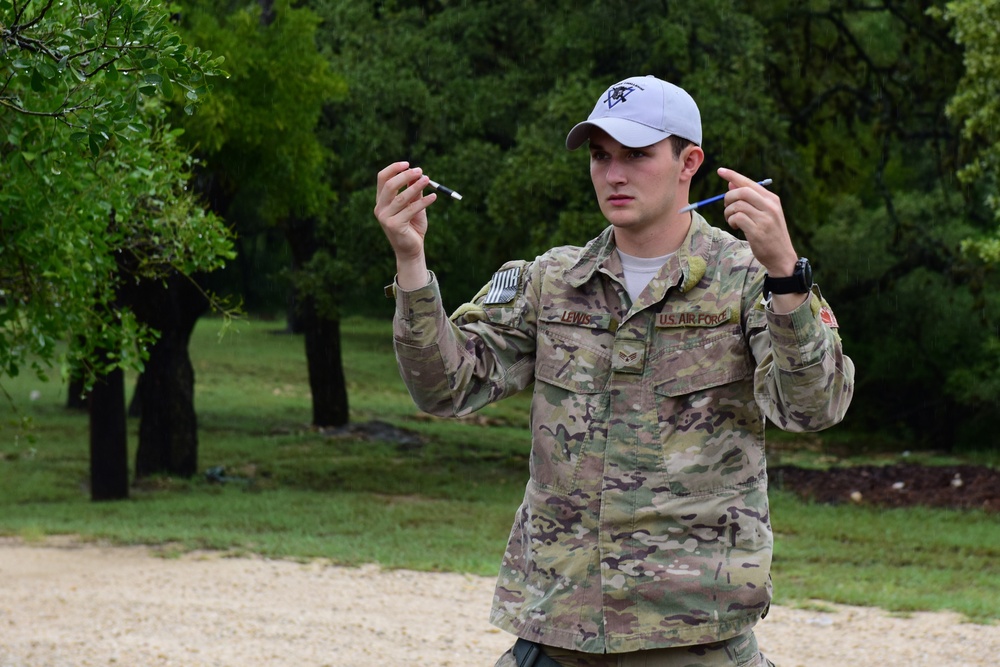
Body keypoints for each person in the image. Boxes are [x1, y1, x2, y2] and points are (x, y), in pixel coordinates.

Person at [374, 75, 854, 667]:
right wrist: (411, 261)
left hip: (689, 635)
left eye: (637, 155)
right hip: (560, 627)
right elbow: (445, 388)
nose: (614, 174)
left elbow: (813, 408)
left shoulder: (749, 280)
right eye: (601, 157)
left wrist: (786, 275)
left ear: (690, 162)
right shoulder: (551, 280)